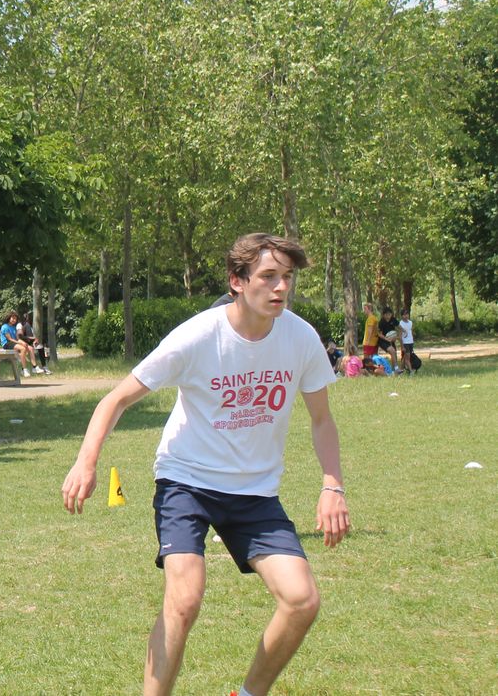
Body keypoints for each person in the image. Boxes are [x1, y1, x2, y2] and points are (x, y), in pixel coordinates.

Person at [61, 233, 350, 696]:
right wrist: (86, 462)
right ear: (237, 281)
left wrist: (332, 485)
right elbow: (116, 399)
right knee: (185, 599)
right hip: (187, 481)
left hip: (255, 492)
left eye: (286, 277)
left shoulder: (300, 337)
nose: (280, 287)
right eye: (268, 277)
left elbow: (322, 420)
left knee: (302, 600)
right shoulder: (198, 336)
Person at [0, 311, 40, 377]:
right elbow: (10, 339)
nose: (14, 320)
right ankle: (24, 369)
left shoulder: (14, 327)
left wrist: (24, 343)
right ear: (9, 318)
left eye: (15, 319)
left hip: (14, 343)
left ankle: (34, 367)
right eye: (12, 318)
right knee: (23, 348)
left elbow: (17, 338)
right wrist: (21, 343)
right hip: (7, 344)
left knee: (30, 348)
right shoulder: (5, 326)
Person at [398, 309, 415, 373]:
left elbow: (411, 332)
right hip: (405, 343)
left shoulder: (410, 322)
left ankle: (400, 370)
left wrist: (413, 340)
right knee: (407, 358)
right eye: (404, 314)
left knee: (405, 357)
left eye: (407, 314)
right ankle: (411, 371)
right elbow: (400, 336)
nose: (406, 316)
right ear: (402, 316)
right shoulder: (400, 323)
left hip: (411, 342)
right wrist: (402, 346)